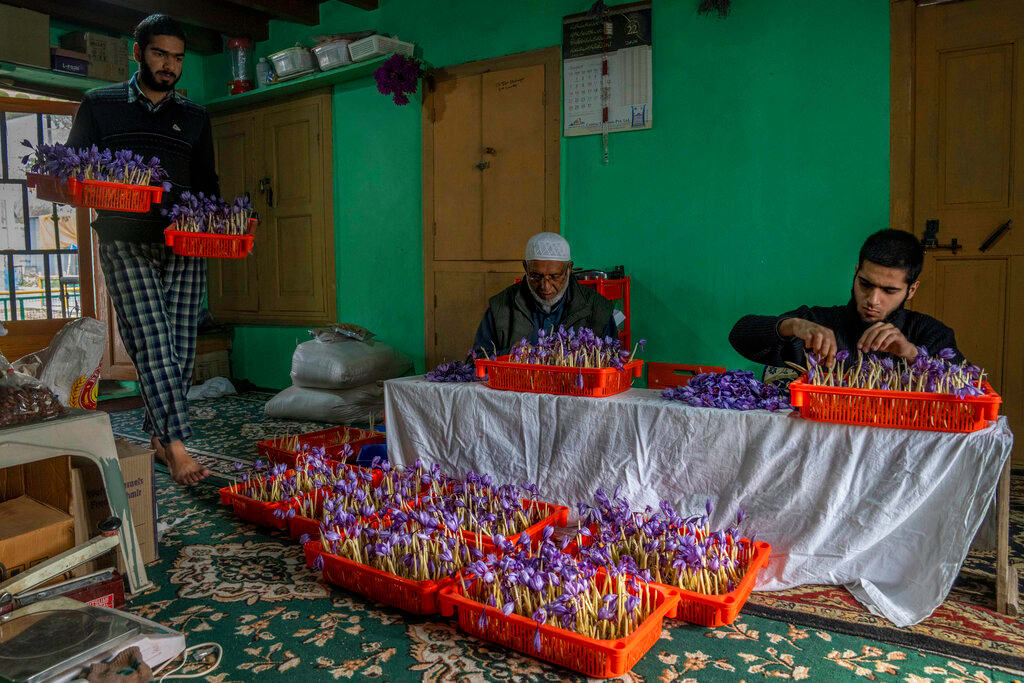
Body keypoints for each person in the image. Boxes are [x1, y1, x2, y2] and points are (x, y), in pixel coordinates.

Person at [68, 14, 217, 485]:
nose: (169, 65)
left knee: (181, 348)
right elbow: (74, 169)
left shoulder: (195, 117)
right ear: (137, 52)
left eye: (177, 58)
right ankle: (177, 448)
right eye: (159, 54)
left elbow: (207, 185)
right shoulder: (99, 104)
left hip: (185, 241)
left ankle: (157, 435)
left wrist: (223, 225)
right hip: (124, 238)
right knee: (152, 340)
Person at [729, 229, 963, 369]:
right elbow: (739, 336)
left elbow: (966, 385)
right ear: (855, 272)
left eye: (889, 291)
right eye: (865, 284)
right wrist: (790, 325)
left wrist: (912, 355)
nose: (873, 300)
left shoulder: (930, 333)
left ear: (911, 290)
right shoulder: (818, 322)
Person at [473, 233, 618, 356]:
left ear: (569, 268)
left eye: (555, 276)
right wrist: (509, 354)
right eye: (536, 276)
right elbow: (474, 362)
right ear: (525, 267)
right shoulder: (500, 307)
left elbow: (613, 362)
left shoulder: (598, 308)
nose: (545, 286)